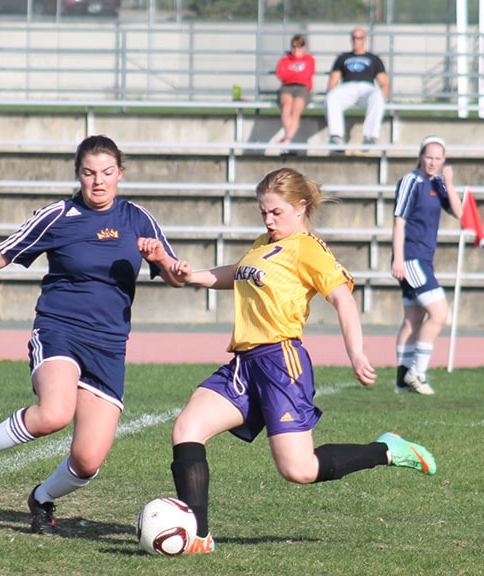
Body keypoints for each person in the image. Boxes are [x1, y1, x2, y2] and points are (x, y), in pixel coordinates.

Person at [164, 167, 437, 554]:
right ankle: (198, 535)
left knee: (299, 470)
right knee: (187, 429)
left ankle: (386, 450)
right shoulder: (264, 242)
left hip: (280, 363)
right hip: (243, 364)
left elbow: (342, 297)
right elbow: (238, 273)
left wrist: (356, 352)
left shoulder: (308, 248)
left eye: (275, 212)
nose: (268, 220)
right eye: (263, 212)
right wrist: (192, 275)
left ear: (300, 206)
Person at [0, 134, 184, 535]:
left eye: (107, 173)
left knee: (88, 461)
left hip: (109, 346)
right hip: (59, 330)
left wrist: (161, 259)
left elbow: (176, 279)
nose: (99, 182)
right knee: (54, 413)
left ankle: (42, 498)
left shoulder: (138, 219)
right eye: (89, 173)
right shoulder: (58, 215)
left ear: (121, 174)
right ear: (78, 174)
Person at [392, 136, 462, 395]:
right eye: (429, 157)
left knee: (413, 319)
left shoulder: (437, 184)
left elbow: (460, 213)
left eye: (438, 158)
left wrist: (450, 182)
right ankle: (416, 372)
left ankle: (401, 382)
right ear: (421, 156)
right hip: (411, 258)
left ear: (444, 160)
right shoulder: (412, 181)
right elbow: (399, 220)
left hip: (424, 259)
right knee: (440, 313)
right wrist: (398, 258)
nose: (433, 162)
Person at [325, 27, 389, 150]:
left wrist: (383, 99)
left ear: (365, 39)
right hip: (347, 87)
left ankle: (369, 137)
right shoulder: (343, 58)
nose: (356, 40)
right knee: (332, 96)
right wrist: (330, 91)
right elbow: (333, 80)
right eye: (353, 37)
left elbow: (384, 83)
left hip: (367, 88)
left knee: (377, 95)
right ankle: (336, 136)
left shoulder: (374, 59)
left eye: (359, 37)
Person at [274, 34, 316, 151]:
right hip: (287, 87)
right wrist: (296, 75)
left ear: (304, 47)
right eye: (294, 46)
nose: (296, 49)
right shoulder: (285, 59)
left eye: (299, 46)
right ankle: (288, 139)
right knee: (286, 107)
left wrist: (291, 74)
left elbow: (307, 74)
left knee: (296, 110)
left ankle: (287, 139)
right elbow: (280, 74)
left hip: (302, 87)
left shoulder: (309, 59)